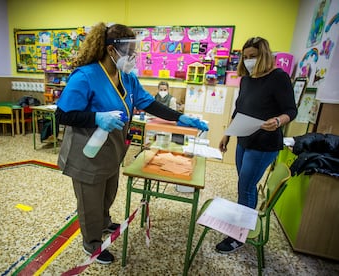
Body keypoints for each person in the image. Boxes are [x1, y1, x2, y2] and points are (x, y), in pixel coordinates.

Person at [54, 22, 208, 264]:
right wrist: (96, 117)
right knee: (90, 202)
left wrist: (180, 118)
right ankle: (91, 243)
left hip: (111, 151)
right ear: (111, 50)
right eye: (128, 51)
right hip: (87, 152)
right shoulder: (85, 76)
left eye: (135, 51)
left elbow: (149, 103)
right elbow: (62, 114)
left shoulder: (126, 76)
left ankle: (103, 224)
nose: (132, 57)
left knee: (107, 194)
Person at [216, 37, 298, 253]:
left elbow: (291, 110)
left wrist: (279, 121)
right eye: (246, 57)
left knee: (247, 187)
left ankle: (238, 236)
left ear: (265, 55)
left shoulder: (278, 77)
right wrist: (227, 134)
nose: (249, 61)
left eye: (253, 56)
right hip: (244, 138)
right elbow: (239, 109)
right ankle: (241, 223)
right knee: (244, 186)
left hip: (264, 144)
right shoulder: (246, 79)